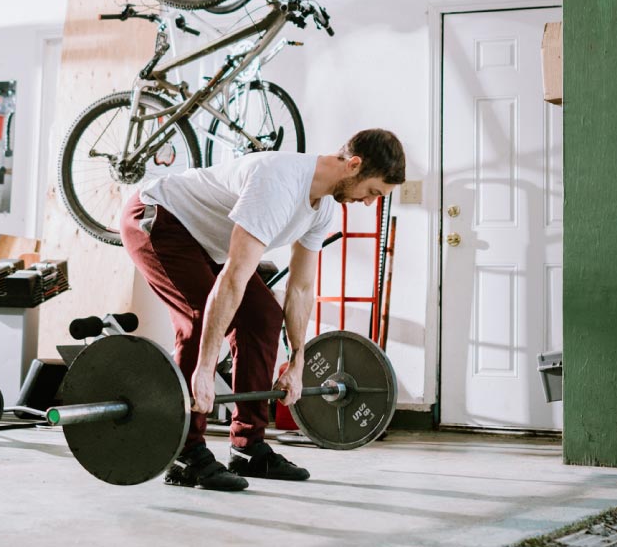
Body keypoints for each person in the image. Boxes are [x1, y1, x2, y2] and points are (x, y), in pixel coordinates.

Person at [119, 128, 406, 490]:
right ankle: (184, 453)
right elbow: (234, 277)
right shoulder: (280, 181)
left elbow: (300, 288)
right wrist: (206, 367)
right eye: (373, 192)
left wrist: (298, 360)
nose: (369, 202)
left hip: (207, 243)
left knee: (263, 316)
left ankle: (248, 446)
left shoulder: (323, 208)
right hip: (159, 218)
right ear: (354, 165)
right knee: (198, 315)